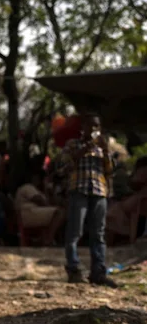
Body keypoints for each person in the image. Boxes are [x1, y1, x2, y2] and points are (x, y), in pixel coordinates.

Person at [57, 114, 116, 287]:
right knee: (75, 231)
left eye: (97, 127)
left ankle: (98, 272)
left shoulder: (103, 147)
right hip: (79, 190)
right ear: (84, 127)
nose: (94, 130)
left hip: (99, 191)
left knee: (98, 233)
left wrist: (105, 151)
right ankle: (73, 269)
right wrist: (84, 149)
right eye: (91, 126)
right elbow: (63, 167)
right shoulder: (72, 144)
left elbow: (110, 170)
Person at [14, 172, 65, 246]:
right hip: (28, 214)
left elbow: (51, 203)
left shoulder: (39, 191)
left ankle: (47, 239)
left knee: (62, 213)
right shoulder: (28, 187)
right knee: (59, 213)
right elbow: (40, 201)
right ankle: (48, 240)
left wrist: (48, 191)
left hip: (34, 213)